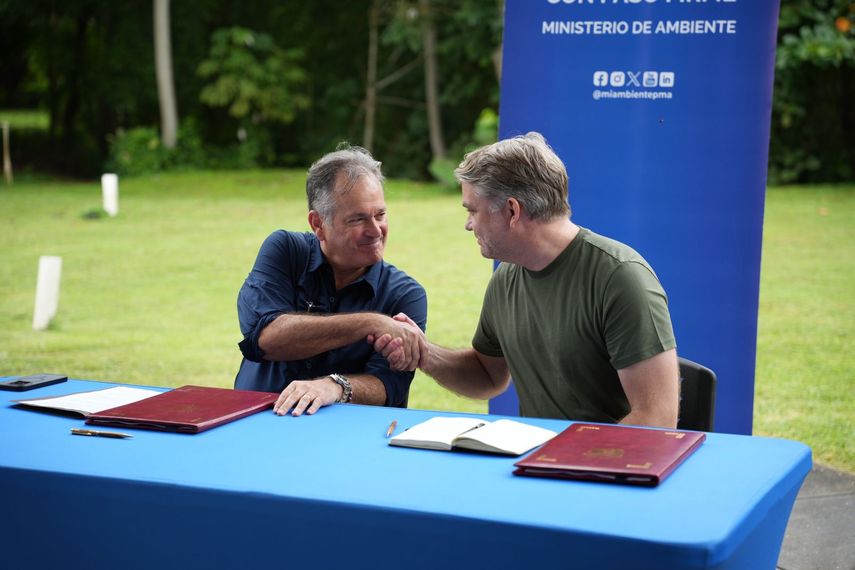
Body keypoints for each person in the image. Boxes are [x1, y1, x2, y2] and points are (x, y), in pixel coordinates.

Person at [376, 132, 679, 428]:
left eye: (473, 211)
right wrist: (425, 353)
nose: (468, 225)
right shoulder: (506, 277)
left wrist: (563, 462)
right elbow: (487, 375)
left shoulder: (619, 277)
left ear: (511, 210)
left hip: (599, 471)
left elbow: (656, 418)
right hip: (538, 464)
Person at [235, 144, 427, 417]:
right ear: (318, 224)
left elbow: (389, 385)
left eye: (380, 215)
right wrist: (372, 323)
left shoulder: (405, 294)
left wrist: (335, 387)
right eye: (358, 219)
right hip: (255, 422)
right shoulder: (286, 251)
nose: (375, 231)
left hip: (345, 442)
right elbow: (266, 339)